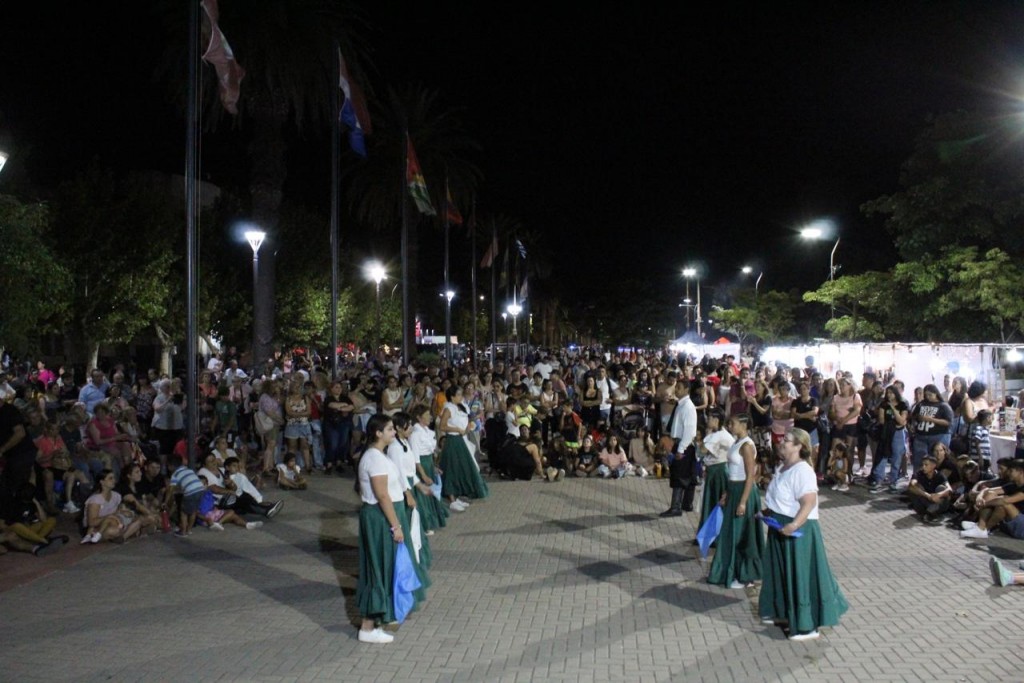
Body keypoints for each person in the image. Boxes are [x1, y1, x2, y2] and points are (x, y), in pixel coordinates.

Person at [759, 427, 848, 641]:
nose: (782, 443)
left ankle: (807, 625)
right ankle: (781, 612)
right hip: (779, 525)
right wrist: (765, 512)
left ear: (799, 446)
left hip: (798, 529)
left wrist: (795, 525)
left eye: (787, 440)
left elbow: (808, 502)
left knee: (800, 574)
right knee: (779, 571)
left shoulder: (803, 471)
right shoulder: (783, 466)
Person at [356, 414, 429, 644]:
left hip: (385, 514)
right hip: (381, 517)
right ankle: (368, 626)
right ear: (378, 433)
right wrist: (395, 525)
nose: (393, 432)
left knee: (389, 567)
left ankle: (380, 619)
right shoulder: (374, 458)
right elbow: (382, 495)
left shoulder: (378, 455)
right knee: (380, 568)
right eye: (389, 429)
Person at [707, 414, 763, 589]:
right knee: (731, 533)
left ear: (744, 424)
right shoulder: (737, 442)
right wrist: (726, 493)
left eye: (733, 423)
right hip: (733, 489)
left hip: (743, 492)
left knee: (741, 535)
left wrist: (743, 502)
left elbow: (750, 476)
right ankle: (732, 572)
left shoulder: (747, 446)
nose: (730, 425)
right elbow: (733, 470)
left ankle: (745, 575)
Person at [437, 386, 489, 511]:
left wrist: (468, 426)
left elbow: (467, 421)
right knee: (452, 468)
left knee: (462, 467)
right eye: (458, 395)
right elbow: (442, 426)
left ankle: (458, 495)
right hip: (453, 440)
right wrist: (457, 429)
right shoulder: (448, 408)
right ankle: (451, 499)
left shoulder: (462, 406)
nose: (461, 397)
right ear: (452, 396)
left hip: (462, 439)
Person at [960, 458, 1024, 540]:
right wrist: (979, 498)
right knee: (991, 494)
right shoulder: (1014, 485)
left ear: (1021, 472)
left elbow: (1005, 500)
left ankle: (983, 529)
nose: (1009, 473)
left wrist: (983, 504)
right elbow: (988, 490)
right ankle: (980, 526)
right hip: (1013, 522)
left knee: (1004, 503)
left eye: (1012, 471)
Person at [698, 409, 735, 534]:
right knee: (708, 502)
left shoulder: (722, 436)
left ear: (716, 420)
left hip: (718, 472)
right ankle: (707, 531)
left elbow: (702, 450)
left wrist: (705, 437)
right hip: (712, 471)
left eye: (709, 418)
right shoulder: (715, 434)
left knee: (714, 503)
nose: (707, 420)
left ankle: (715, 533)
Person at [869, 385, 910, 493]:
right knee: (883, 454)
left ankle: (893, 481)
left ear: (896, 393)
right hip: (886, 432)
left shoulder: (902, 405)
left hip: (898, 433)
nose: (889, 395)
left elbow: (902, 421)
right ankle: (878, 480)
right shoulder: (883, 404)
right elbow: (882, 420)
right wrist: (892, 422)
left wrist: (893, 409)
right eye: (888, 393)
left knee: (897, 457)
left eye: (891, 393)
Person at [907, 454, 952, 523]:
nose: (923, 467)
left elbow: (949, 489)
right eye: (923, 465)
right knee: (916, 488)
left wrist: (938, 495)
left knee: (941, 488)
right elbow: (911, 486)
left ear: (933, 466)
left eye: (926, 465)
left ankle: (931, 512)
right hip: (925, 502)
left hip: (939, 503)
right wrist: (928, 496)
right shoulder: (919, 474)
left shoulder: (939, 475)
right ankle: (931, 512)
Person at [168, 454, 206, 538]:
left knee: (183, 512)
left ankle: (183, 532)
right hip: (200, 489)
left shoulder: (175, 474)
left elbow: (171, 490)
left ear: (170, 466)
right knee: (194, 511)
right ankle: (189, 530)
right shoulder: (189, 470)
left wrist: (165, 501)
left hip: (190, 492)